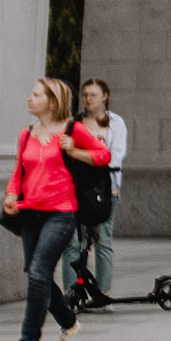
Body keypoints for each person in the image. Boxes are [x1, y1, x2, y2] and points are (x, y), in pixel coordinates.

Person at [0, 77, 110, 341]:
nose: (29, 98)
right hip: (28, 211)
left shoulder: (73, 129)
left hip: (61, 211)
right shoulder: (26, 133)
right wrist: (11, 194)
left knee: (38, 271)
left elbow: (103, 155)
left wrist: (74, 150)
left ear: (52, 101)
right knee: (37, 274)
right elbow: (19, 170)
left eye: (35, 94)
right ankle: (69, 323)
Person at [60, 78, 129, 298]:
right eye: (85, 95)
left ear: (105, 96)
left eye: (93, 95)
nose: (88, 99)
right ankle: (72, 292)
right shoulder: (73, 123)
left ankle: (102, 292)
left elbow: (113, 158)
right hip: (76, 188)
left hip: (104, 188)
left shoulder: (116, 123)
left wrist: (83, 157)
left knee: (102, 239)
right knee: (72, 242)